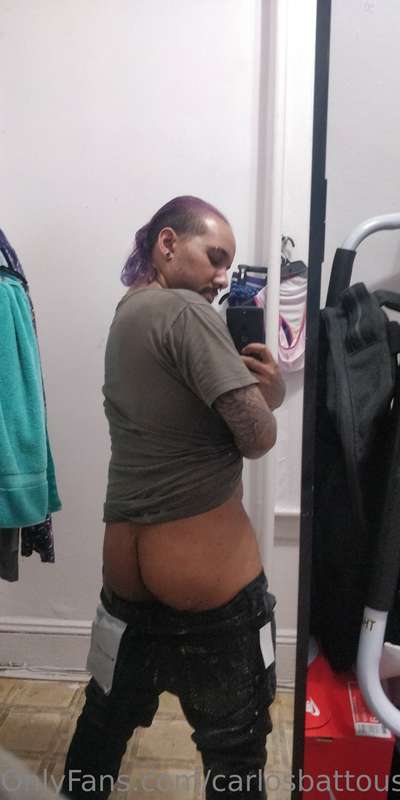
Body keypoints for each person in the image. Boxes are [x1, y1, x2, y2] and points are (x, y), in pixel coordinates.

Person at [62, 196, 285, 799]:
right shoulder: (188, 312)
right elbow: (258, 436)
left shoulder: (128, 312)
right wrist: (272, 394)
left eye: (229, 264)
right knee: (235, 749)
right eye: (214, 257)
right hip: (208, 587)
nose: (223, 277)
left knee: (102, 727)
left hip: (125, 579)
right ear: (167, 243)